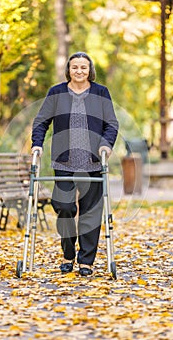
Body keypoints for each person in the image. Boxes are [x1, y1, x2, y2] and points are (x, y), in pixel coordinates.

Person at [31, 52, 118, 276]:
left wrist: (106, 145)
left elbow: (112, 124)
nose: (79, 71)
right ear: (68, 69)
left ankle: (85, 262)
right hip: (64, 161)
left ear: (90, 70)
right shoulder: (57, 92)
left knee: (90, 213)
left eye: (84, 67)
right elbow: (41, 121)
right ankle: (68, 253)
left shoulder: (101, 92)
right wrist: (37, 144)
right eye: (75, 67)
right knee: (65, 208)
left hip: (92, 163)